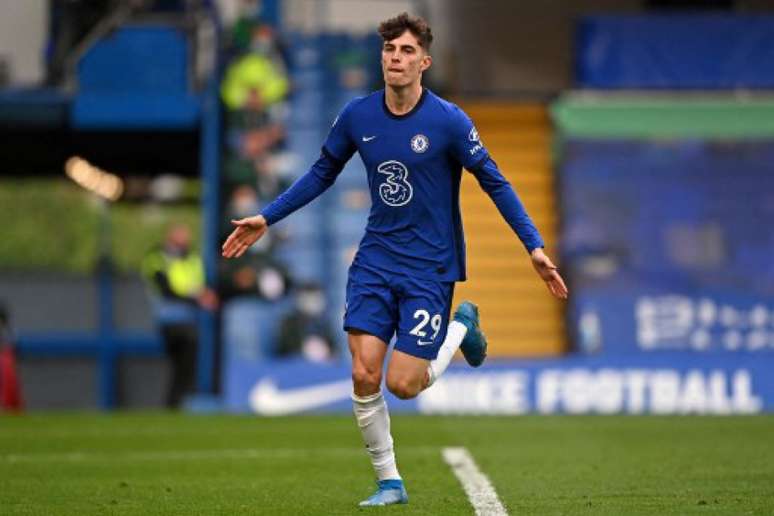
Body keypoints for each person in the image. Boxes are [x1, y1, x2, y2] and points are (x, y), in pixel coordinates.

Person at [222, 12, 568, 507]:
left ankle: (459, 328)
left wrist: (533, 245)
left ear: (424, 62)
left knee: (403, 384)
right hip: (376, 261)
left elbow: (494, 180)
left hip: (429, 267)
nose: (396, 59)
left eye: (407, 52)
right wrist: (266, 217)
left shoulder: (448, 121)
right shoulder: (357, 116)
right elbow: (321, 173)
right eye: (389, 51)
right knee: (364, 374)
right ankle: (390, 482)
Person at [142, 223, 218, 408]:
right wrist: (198, 298)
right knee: (181, 359)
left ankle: (176, 402)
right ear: (170, 236)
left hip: (189, 318)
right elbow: (166, 289)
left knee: (184, 362)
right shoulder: (156, 257)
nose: (185, 239)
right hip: (168, 318)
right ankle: (175, 401)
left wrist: (203, 296)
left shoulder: (192, 258)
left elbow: (199, 283)